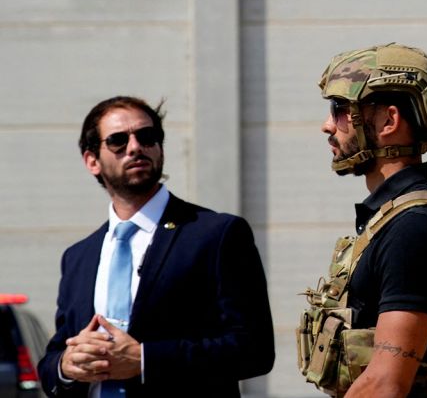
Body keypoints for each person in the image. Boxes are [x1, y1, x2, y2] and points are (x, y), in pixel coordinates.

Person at [38, 96, 274, 397]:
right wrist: (66, 366)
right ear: (92, 161)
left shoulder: (216, 234)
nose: (135, 147)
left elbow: (254, 349)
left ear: (160, 147)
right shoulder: (78, 257)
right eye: (118, 141)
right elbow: (53, 358)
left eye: (147, 137)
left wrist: (146, 360)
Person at [298, 43, 427, 397]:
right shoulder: (394, 220)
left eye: (340, 110)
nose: (328, 125)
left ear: (388, 121)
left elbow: (386, 382)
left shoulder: (414, 228)